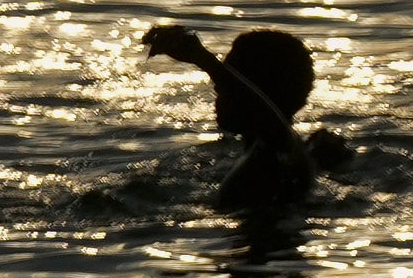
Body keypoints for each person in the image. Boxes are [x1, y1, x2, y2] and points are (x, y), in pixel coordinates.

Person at [141, 24, 345, 211]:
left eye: (227, 86)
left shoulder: (274, 156)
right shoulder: (287, 155)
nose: (218, 94)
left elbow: (269, 120)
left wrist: (204, 60)